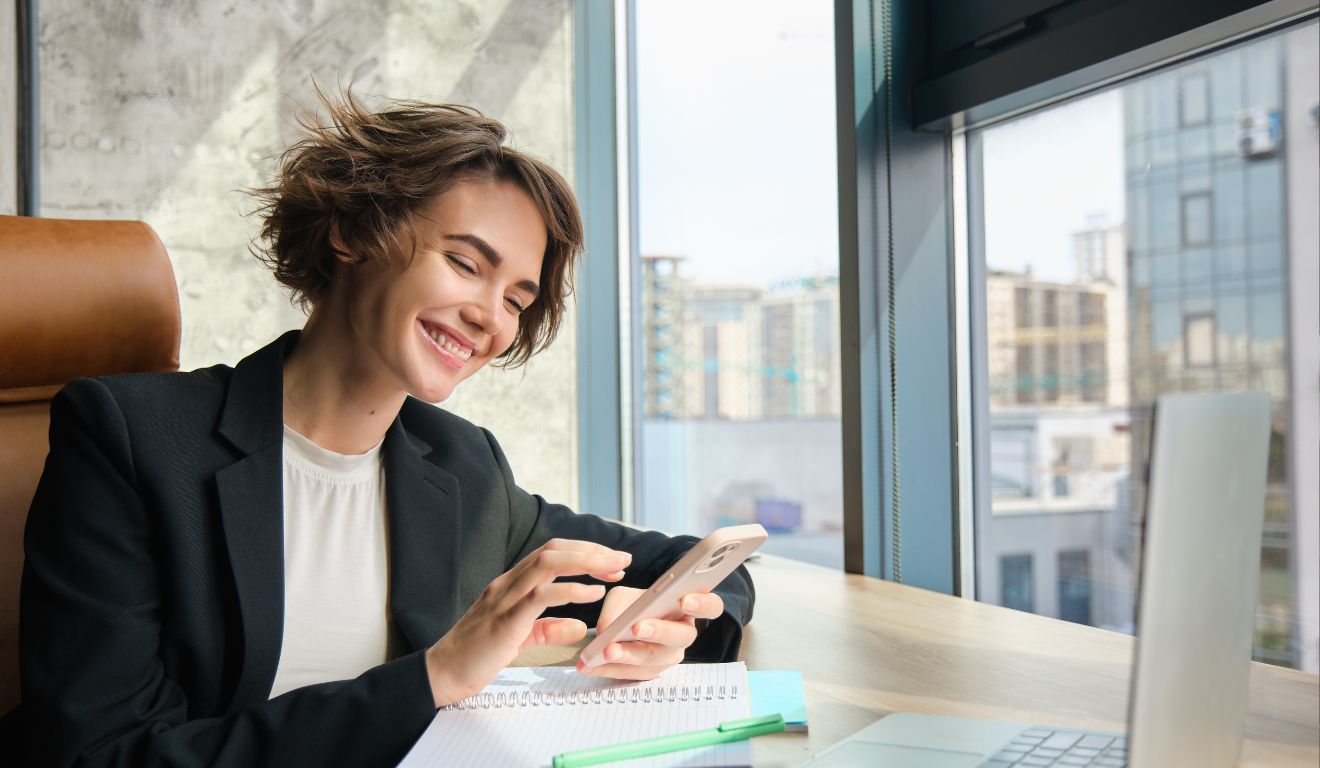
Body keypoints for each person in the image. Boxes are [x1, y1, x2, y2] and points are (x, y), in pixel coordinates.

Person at [16, 93, 755, 767]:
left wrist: (665, 619)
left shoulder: (460, 466)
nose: (490, 318)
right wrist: (434, 678)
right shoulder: (131, 438)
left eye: (517, 300)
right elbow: (104, 757)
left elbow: (695, 564)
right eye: (466, 263)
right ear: (351, 233)